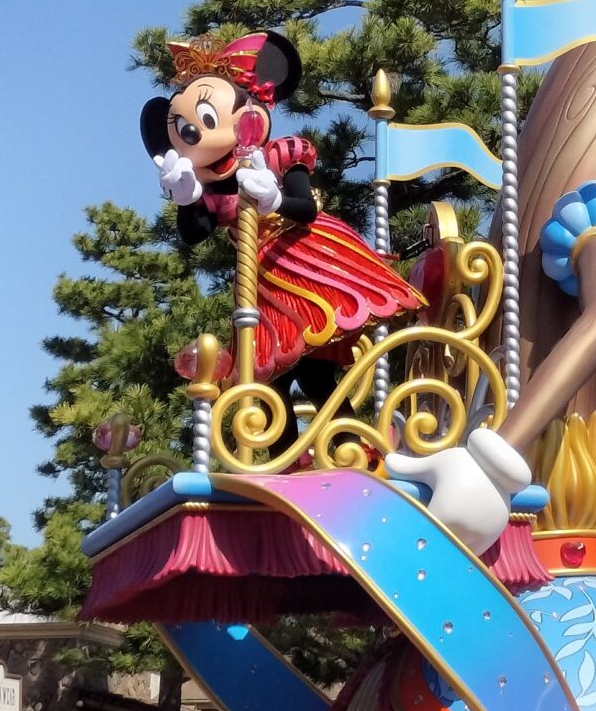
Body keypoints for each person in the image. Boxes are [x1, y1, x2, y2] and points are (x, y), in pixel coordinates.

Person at [141, 32, 425, 455]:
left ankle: (337, 448)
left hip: (306, 261)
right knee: (274, 375)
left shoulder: (279, 156)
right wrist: (187, 199)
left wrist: (273, 200)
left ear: (251, 114)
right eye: (183, 129)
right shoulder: (210, 188)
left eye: (205, 118)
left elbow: (304, 208)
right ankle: (296, 456)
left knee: (304, 372)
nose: (194, 135)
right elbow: (194, 232)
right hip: (262, 285)